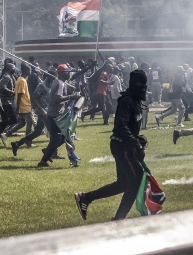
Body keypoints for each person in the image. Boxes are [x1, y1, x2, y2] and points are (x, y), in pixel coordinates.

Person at [74, 70, 151, 221]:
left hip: (125, 145)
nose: (144, 87)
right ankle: (119, 219)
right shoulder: (127, 101)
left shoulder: (135, 101)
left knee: (124, 183)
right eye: (141, 84)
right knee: (136, 179)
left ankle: (86, 198)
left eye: (145, 84)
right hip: (122, 147)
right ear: (135, 84)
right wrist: (136, 144)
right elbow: (121, 126)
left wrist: (139, 139)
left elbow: (129, 126)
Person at [38, 64, 81, 167]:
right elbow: (57, 98)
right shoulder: (60, 83)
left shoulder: (58, 82)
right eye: (67, 72)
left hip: (55, 114)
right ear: (62, 73)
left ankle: (48, 151)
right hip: (55, 115)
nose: (69, 74)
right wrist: (71, 96)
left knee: (61, 138)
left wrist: (68, 94)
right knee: (57, 139)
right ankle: (43, 161)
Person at [11, 71, 55, 155]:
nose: (55, 78)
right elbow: (34, 99)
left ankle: (17, 143)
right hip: (42, 112)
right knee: (52, 131)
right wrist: (42, 110)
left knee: (38, 131)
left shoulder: (51, 85)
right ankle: (53, 153)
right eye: (54, 76)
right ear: (49, 76)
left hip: (47, 111)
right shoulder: (42, 86)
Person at [0, 63, 18, 145]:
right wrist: (12, 92)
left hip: (5, 101)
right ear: (7, 68)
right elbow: (2, 87)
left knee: (5, 121)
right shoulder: (7, 76)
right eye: (12, 67)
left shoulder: (10, 76)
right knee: (14, 119)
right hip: (6, 102)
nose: (14, 68)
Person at [6, 63, 34, 138]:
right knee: (30, 122)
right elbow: (19, 94)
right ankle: (27, 140)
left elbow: (15, 92)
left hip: (23, 105)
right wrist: (17, 107)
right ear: (26, 70)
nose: (30, 71)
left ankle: (7, 133)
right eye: (29, 69)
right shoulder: (22, 81)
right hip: (24, 105)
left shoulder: (20, 79)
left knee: (22, 123)